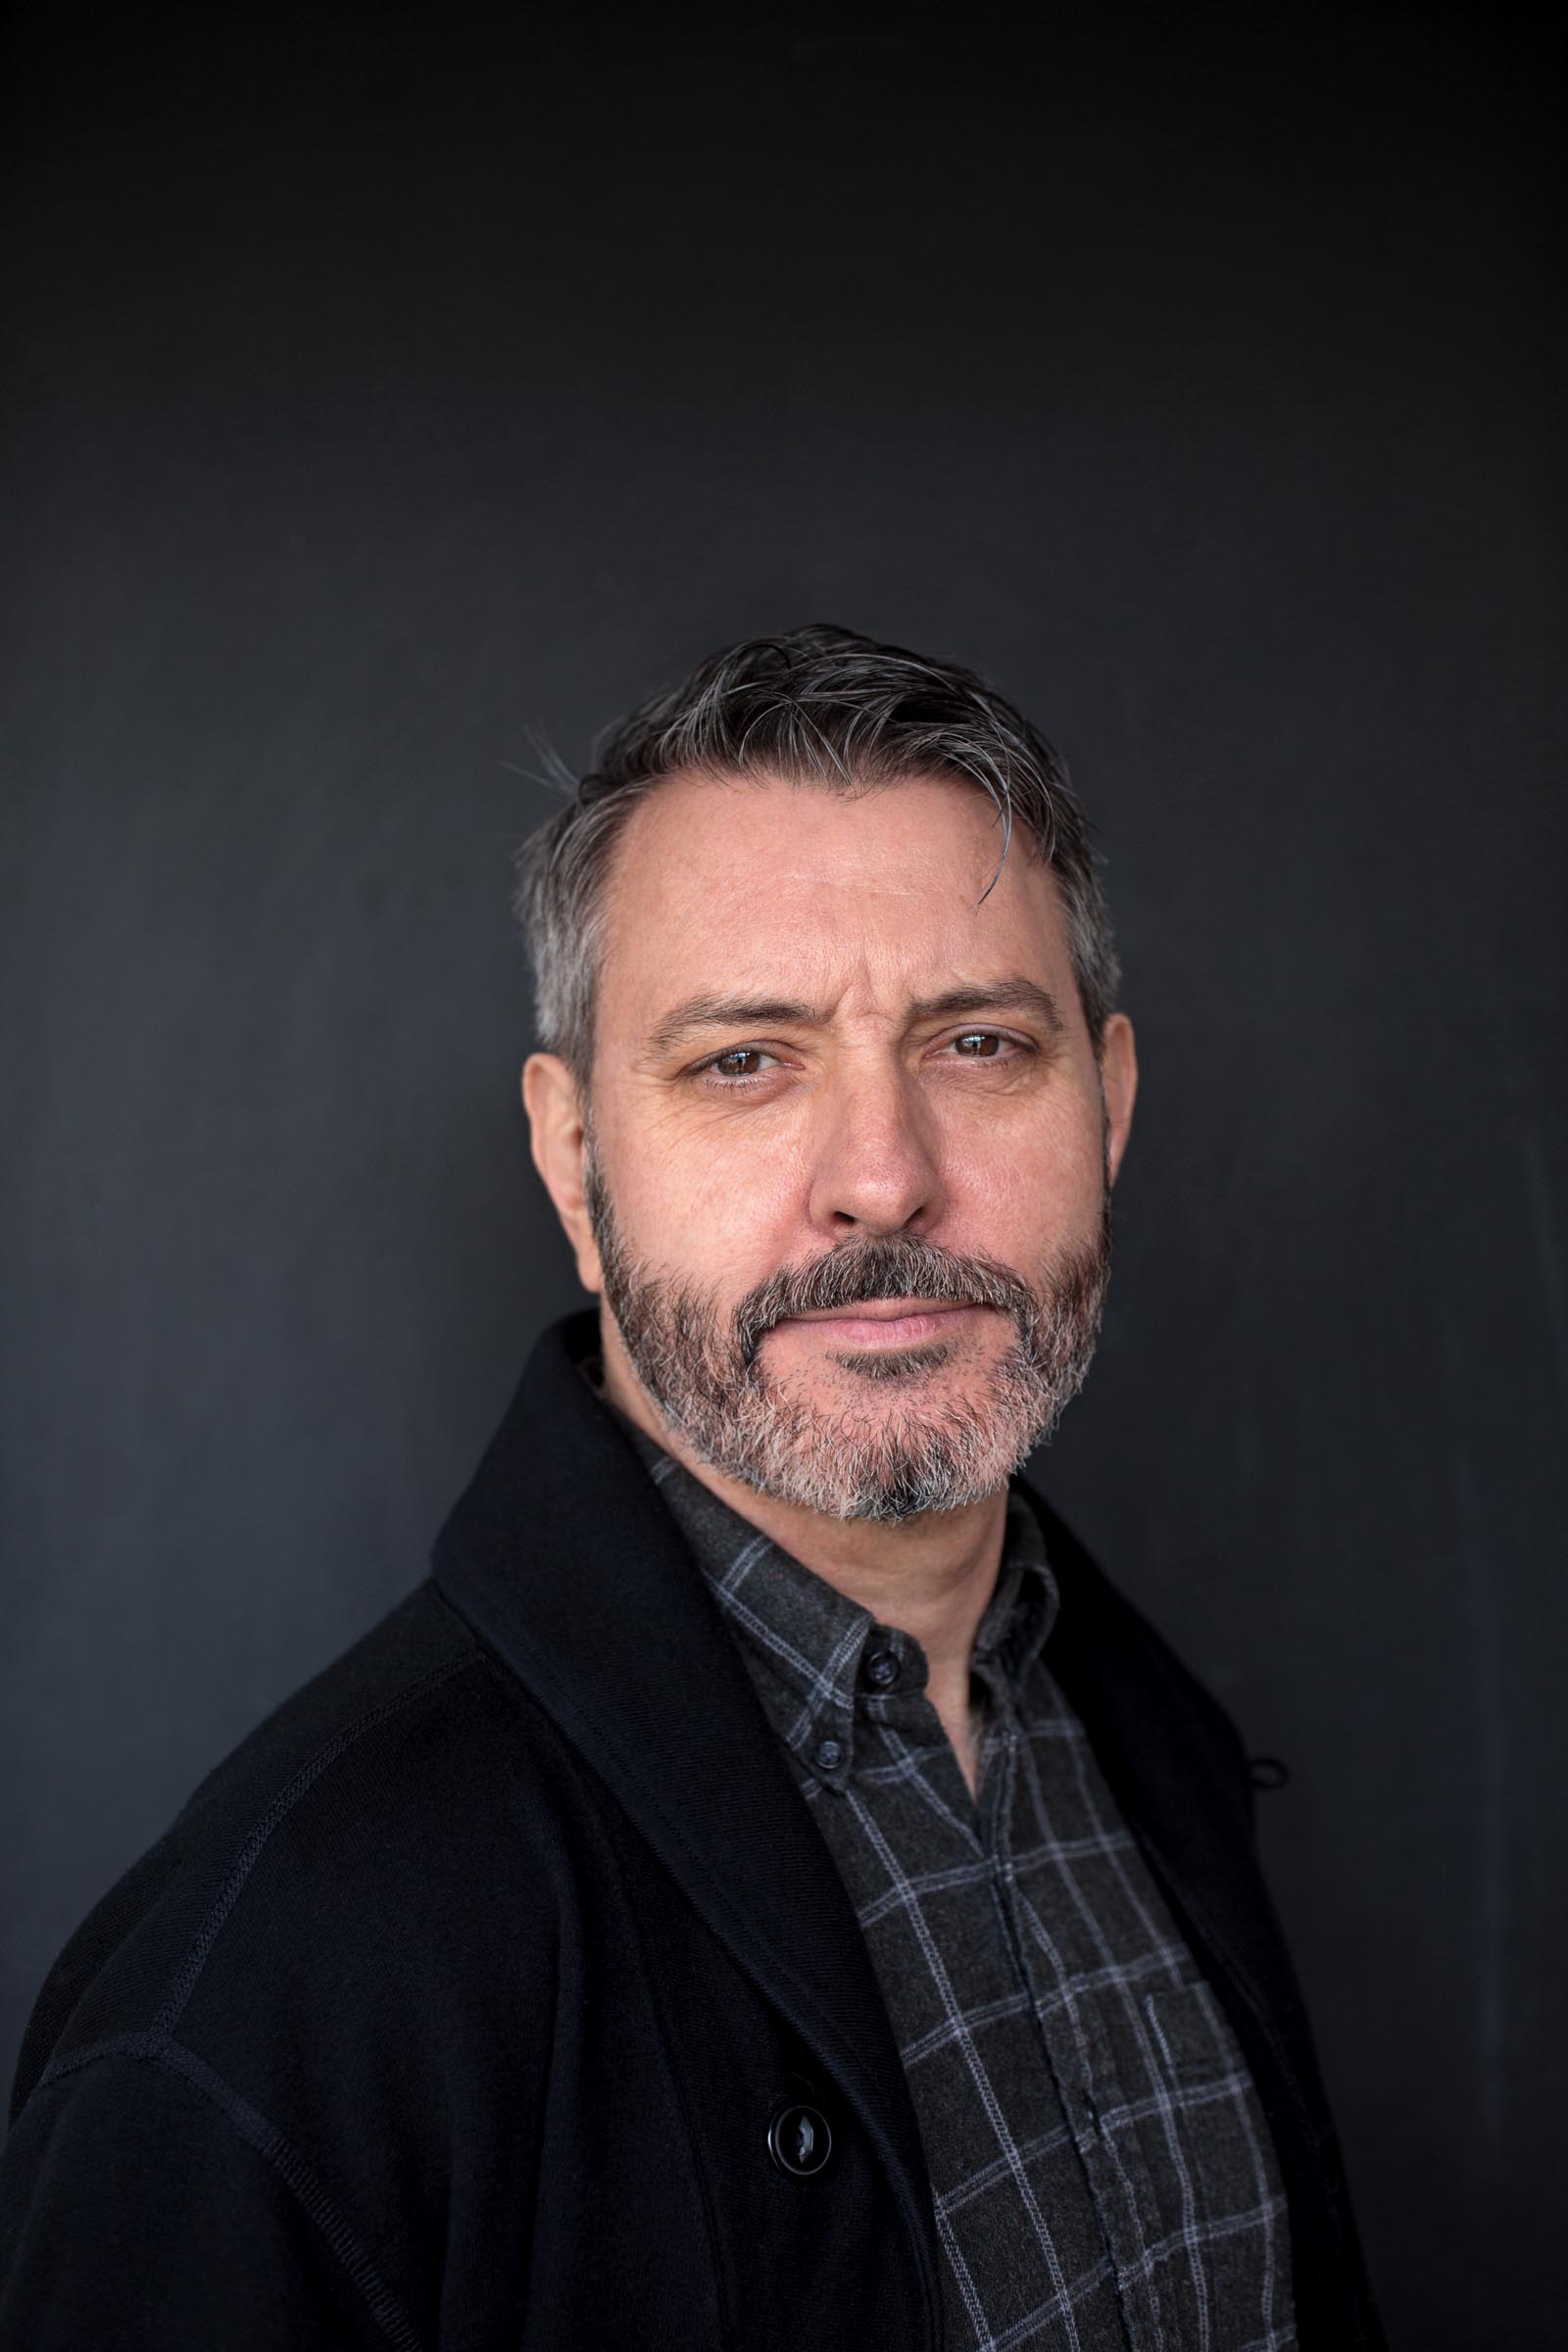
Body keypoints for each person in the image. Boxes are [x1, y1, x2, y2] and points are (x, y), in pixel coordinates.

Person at [0, 625, 1383, 2349]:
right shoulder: (264, 1991)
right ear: (576, 1161)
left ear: (1104, 1107)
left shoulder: (1141, 1740)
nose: (882, 1179)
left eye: (977, 1045)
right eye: (746, 1059)